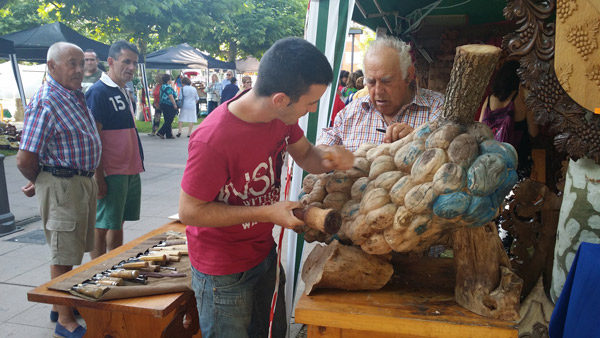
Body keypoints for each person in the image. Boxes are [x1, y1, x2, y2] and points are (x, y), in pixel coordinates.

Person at [178, 37, 354, 338]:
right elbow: (190, 211)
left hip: (263, 255)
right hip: (223, 272)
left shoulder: (281, 118)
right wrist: (267, 213)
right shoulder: (213, 139)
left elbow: (307, 156)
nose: (312, 110)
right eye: (310, 103)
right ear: (281, 99)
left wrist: (328, 157)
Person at [16, 42, 101, 338]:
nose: (79, 69)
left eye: (81, 63)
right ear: (51, 67)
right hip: (64, 184)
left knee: (73, 248)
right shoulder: (47, 100)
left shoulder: (73, 94)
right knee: (62, 253)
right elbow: (25, 157)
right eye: (71, 64)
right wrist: (42, 179)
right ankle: (64, 320)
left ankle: (61, 302)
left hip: (78, 181)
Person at [318, 36, 445, 152]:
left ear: (408, 75)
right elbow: (321, 149)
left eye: (387, 81)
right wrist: (325, 156)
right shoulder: (350, 114)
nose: (378, 91)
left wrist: (419, 141)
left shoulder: (438, 110)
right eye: (371, 82)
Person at [85, 40, 144, 260]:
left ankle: (116, 263)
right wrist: (98, 176)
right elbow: (93, 138)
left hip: (129, 168)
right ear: (110, 61)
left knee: (118, 221)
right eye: (126, 61)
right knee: (101, 224)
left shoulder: (123, 91)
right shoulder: (98, 92)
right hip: (111, 170)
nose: (131, 67)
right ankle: (98, 270)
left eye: (134, 63)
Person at [479, 59, 538, 179]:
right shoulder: (523, 100)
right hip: (517, 160)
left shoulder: (489, 100)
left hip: (490, 161)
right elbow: (534, 132)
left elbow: (480, 129)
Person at [157, 74, 179, 139]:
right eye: (170, 79)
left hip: (163, 103)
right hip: (168, 104)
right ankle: (161, 132)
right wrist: (174, 104)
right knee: (170, 119)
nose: (171, 80)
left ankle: (169, 134)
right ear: (168, 80)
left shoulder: (162, 86)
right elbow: (170, 95)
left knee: (167, 118)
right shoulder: (168, 87)